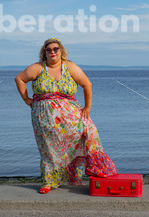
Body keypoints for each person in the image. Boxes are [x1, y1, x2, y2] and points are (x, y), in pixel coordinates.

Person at [15, 38, 118, 194]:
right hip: (44, 116)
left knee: (89, 130)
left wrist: (87, 107)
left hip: (71, 113)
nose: (52, 52)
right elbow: (20, 79)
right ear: (44, 52)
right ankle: (48, 182)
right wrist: (27, 100)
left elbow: (87, 85)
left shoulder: (69, 67)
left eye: (55, 49)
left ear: (61, 50)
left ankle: (93, 167)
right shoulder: (38, 68)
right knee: (49, 148)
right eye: (48, 49)